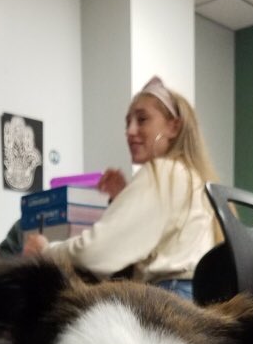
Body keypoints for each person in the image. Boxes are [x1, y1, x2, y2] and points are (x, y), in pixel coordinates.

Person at [23, 76, 219, 300]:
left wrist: (46, 250)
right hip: (194, 299)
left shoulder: (162, 172)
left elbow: (96, 252)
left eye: (142, 119)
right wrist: (123, 197)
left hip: (168, 299)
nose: (130, 131)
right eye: (128, 123)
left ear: (173, 127)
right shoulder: (190, 177)